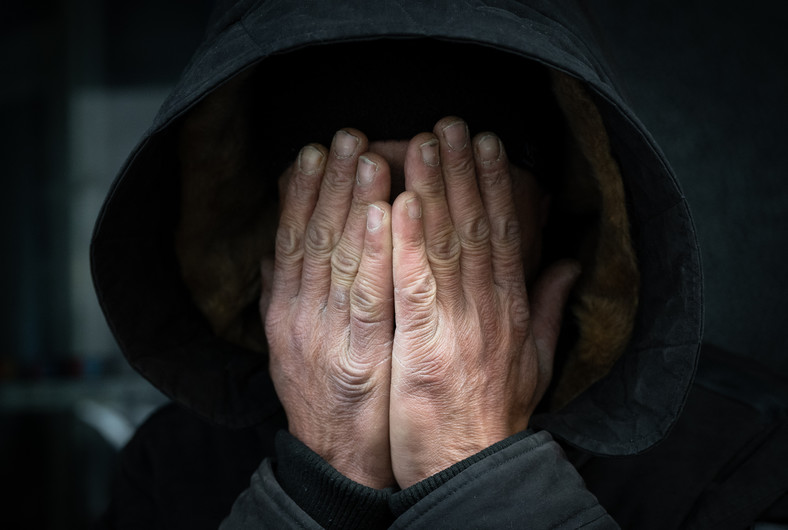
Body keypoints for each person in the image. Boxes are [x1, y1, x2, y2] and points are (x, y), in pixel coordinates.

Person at [92, 1, 787, 528]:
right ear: (276, 232)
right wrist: (323, 473)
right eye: (347, 207)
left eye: (449, 209)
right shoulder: (172, 469)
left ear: (546, 211)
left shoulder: (744, 446)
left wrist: (476, 466)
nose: (397, 257)